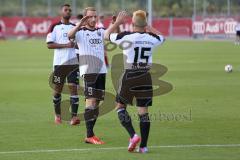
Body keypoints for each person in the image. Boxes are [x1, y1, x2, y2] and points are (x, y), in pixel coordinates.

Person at [105, 10, 165, 153]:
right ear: (144, 24)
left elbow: (106, 35)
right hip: (145, 75)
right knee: (143, 112)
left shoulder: (127, 36)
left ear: (131, 23)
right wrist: (147, 26)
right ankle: (143, 146)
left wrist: (117, 23)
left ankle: (133, 135)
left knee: (120, 107)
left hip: (130, 74)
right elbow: (162, 37)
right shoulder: (151, 38)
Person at [68, 7, 127, 144]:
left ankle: (90, 134)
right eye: (90, 17)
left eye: (95, 16)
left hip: (101, 71)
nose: (94, 19)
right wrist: (79, 24)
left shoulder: (100, 31)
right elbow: (69, 35)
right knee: (91, 101)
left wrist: (115, 24)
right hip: (89, 71)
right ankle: (89, 135)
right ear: (85, 18)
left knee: (97, 103)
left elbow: (113, 37)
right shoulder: (80, 32)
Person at [46, 4, 80, 125]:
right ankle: (58, 115)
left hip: (73, 63)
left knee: (73, 88)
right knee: (57, 89)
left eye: (70, 10)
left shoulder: (74, 27)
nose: (68, 11)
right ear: (61, 12)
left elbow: (79, 44)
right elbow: (49, 44)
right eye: (66, 10)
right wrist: (66, 45)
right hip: (59, 64)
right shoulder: (54, 26)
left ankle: (74, 118)